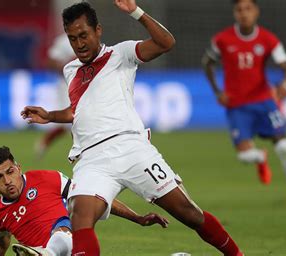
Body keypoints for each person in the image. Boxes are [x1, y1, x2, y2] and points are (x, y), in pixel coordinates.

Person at [21, 1, 243, 255]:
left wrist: (135, 12)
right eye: (73, 39)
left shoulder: (121, 54)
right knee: (80, 216)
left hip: (130, 149)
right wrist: (50, 115)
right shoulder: (70, 70)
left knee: (190, 214)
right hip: (91, 159)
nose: (79, 44)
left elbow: (165, 43)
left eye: (84, 35)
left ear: (98, 31)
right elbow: (79, 111)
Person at [201, 0, 286, 209]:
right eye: (239, 10)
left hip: (264, 102)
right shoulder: (223, 39)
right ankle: (260, 158)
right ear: (235, 13)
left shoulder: (268, 39)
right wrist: (217, 91)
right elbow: (206, 62)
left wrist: (285, 84)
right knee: (244, 156)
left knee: (285, 146)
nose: (244, 14)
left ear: (256, 12)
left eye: (248, 9)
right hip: (237, 106)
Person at [0, 146, 170, 256]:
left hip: (76, 250)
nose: (8, 181)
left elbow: (94, 196)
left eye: (10, 172)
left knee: (66, 220)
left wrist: (137, 218)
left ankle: (47, 253)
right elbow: (0, 244)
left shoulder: (49, 179)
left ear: (18, 168)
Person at [35, 34, 76, 159]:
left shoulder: (91, 36)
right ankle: (44, 143)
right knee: (67, 121)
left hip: (88, 84)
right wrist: (68, 66)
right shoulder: (64, 41)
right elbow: (51, 62)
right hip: (67, 85)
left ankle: (85, 150)